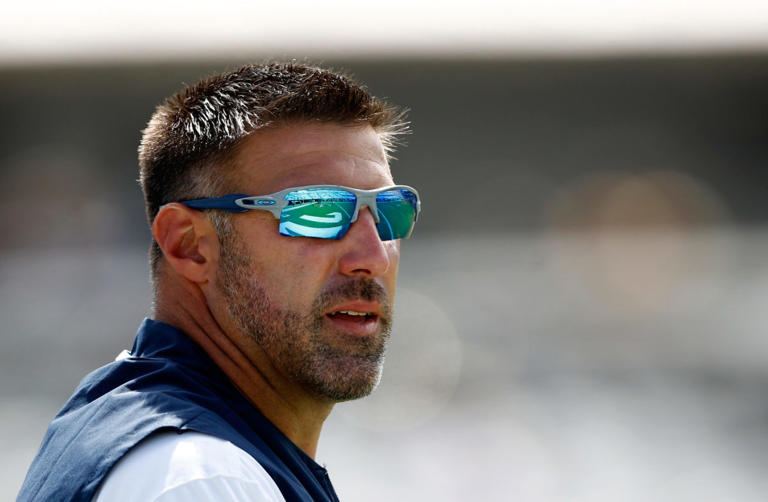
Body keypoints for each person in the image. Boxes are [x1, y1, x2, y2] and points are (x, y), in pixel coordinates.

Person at [17, 62, 420, 502]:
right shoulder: (201, 478)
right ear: (189, 245)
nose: (374, 258)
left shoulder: (140, 425)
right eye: (316, 212)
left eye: (389, 212)